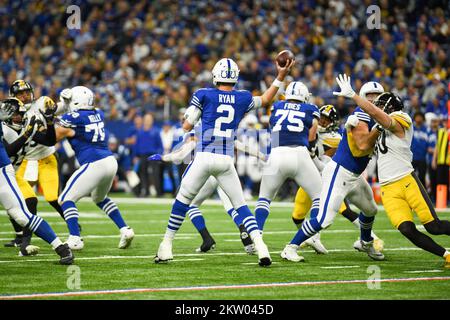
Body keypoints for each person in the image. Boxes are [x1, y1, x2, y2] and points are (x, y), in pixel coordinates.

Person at [155, 57, 294, 267]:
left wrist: (192, 120)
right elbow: (265, 99)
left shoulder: (203, 94)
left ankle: (166, 245)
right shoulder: (242, 97)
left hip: (204, 157)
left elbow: (186, 126)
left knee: (182, 201)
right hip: (226, 159)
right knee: (241, 206)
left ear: (215, 76)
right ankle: (261, 247)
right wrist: (280, 76)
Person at [333, 74, 450, 268]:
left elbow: (384, 120)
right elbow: (362, 146)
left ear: (388, 106)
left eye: (379, 104)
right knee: (406, 229)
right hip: (387, 186)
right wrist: (350, 128)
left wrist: (355, 96)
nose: (375, 106)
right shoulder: (378, 124)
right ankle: (446, 254)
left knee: (433, 226)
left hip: (406, 179)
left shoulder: (401, 117)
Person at [281, 80, 385, 262]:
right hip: (339, 172)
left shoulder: (377, 117)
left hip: (354, 174)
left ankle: (365, 241)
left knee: (370, 209)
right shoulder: (362, 115)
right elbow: (361, 145)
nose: (374, 99)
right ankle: (290, 248)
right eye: (370, 96)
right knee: (324, 219)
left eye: (377, 96)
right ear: (362, 97)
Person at [54, 86, 135, 250]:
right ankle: (125, 229)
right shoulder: (98, 112)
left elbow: (54, 136)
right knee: (99, 198)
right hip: (110, 161)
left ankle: (75, 237)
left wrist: (53, 112)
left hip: (94, 163)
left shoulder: (73, 117)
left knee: (65, 199)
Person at [0, 98, 74, 264]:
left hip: (3, 173)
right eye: (14, 114)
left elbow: (48, 140)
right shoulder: (15, 128)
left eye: (19, 114)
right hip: (11, 170)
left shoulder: (22, 127)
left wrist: (47, 121)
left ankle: (61, 248)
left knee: (22, 214)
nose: (17, 118)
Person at [254, 81, 322, 253]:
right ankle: (313, 237)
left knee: (264, 199)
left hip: (276, 153)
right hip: (299, 154)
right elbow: (312, 130)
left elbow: (273, 126)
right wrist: (312, 145)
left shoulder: (277, 106)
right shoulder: (310, 108)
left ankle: (257, 237)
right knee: (319, 198)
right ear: (304, 96)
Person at [134, 113, 163, 197]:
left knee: (155, 173)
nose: (147, 121)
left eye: (149, 120)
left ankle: (159, 192)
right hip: (142, 155)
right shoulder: (140, 132)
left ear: (152, 121)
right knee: (143, 173)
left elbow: (160, 145)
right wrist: (135, 156)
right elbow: (136, 145)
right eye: (146, 120)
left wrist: (159, 154)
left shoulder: (156, 131)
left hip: (153, 154)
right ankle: (146, 191)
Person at [411, 112, 430, 186]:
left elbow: (428, 143)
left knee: (422, 178)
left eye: (420, 117)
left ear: (423, 119)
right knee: (411, 177)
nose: (418, 119)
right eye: (417, 117)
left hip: (423, 158)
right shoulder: (411, 129)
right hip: (413, 157)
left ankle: (423, 195)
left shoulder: (427, 130)